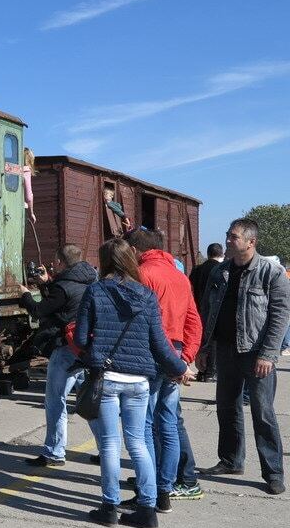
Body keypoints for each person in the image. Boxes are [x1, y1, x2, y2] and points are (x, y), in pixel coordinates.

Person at [74, 238, 188, 528]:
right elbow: (159, 342)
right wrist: (180, 367)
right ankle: (147, 511)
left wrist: (94, 352)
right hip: (140, 381)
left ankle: (109, 507)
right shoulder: (147, 295)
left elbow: (80, 337)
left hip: (108, 378)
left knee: (111, 444)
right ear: (130, 260)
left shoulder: (95, 291)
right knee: (138, 443)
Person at [196, 218, 290, 495]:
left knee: (262, 413)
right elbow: (207, 311)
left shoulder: (271, 273)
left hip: (256, 354)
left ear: (251, 242)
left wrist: (269, 354)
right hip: (225, 350)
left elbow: (280, 317)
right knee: (227, 408)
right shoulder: (220, 272)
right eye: (227, 235)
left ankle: (273, 472)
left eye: (234, 237)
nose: (228, 240)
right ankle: (230, 460)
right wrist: (204, 348)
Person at [124, 228, 201, 510]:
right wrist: (184, 359)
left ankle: (149, 489)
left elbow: (133, 322)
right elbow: (194, 320)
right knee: (167, 422)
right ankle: (165, 489)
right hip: (176, 352)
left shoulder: (143, 275)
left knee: (144, 424)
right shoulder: (179, 277)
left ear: (134, 250)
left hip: (150, 354)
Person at [18, 244, 98, 466]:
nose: (53, 265)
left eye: (55, 262)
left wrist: (26, 296)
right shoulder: (92, 279)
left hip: (65, 349)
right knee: (89, 401)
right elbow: (66, 302)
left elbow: (39, 310)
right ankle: (106, 448)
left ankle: (54, 451)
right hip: (84, 349)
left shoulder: (62, 287)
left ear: (62, 263)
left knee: (55, 400)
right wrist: (49, 283)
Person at [190, 243, 224, 381]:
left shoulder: (197, 269)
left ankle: (201, 370)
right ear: (221, 254)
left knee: (200, 338)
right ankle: (210, 371)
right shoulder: (220, 269)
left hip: (198, 307)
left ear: (208, 253)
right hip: (213, 309)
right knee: (213, 340)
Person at [22, 148, 36, 223]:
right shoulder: (26, 171)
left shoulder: (11, 168)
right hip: (20, 208)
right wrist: (31, 213)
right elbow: (28, 197)